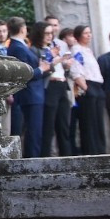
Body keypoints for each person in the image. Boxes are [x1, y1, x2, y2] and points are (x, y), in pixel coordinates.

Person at [5, 17, 48, 157]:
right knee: (34, 131)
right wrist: (41, 69)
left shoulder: (18, 45)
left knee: (35, 131)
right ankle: (32, 160)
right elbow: (24, 74)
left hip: (33, 94)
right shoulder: (18, 47)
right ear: (23, 29)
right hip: (30, 95)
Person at [65, 25, 107, 156]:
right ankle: (91, 150)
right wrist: (86, 88)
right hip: (87, 85)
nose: (89, 35)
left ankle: (100, 149)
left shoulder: (88, 50)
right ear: (78, 36)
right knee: (89, 122)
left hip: (97, 85)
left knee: (98, 121)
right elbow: (76, 71)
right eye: (85, 33)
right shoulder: (76, 50)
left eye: (90, 33)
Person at [40, 16, 76, 156]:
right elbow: (43, 67)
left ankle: (67, 156)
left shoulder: (60, 44)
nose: (52, 31)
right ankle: (46, 157)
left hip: (62, 83)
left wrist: (65, 65)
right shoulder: (40, 48)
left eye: (54, 27)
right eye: (48, 30)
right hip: (50, 85)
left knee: (64, 125)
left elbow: (63, 66)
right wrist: (54, 59)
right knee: (49, 125)